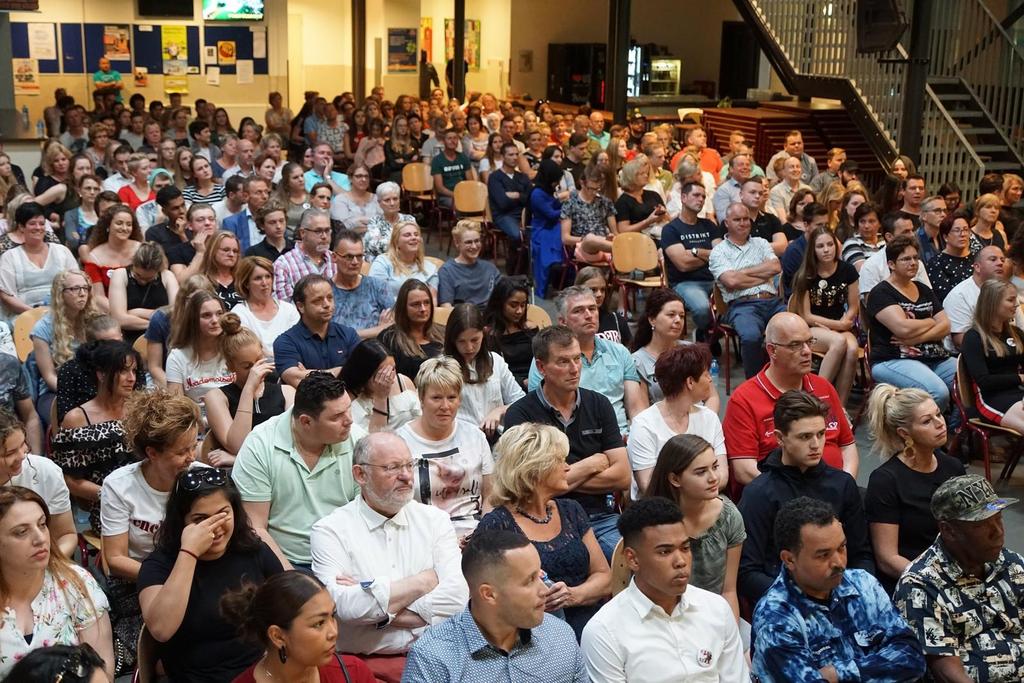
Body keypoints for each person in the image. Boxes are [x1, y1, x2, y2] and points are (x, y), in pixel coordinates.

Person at [309, 431, 469, 682]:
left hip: (439, 657)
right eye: (392, 468)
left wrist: (378, 609)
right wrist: (423, 582)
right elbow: (343, 607)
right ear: (360, 474)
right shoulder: (330, 530)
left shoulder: (435, 521)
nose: (406, 476)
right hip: (363, 666)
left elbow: (458, 598)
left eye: (409, 465)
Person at [751, 496, 925, 683]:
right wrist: (881, 666)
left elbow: (913, 659)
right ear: (789, 559)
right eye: (823, 555)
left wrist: (837, 674)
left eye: (842, 547)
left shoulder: (864, 584)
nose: (839, 562)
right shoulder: (775, 617)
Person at [137, 469, 284, 683]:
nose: (214, 527)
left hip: (260, 673)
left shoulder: (253, 550)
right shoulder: (159, 565)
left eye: (222, 514)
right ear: (182, 522)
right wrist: (188, 553)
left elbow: (289, 604)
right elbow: (161, 630)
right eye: (200, 519)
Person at [581, 496, 748, 681]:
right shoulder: (604, 632)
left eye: (685, 548)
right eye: (665, 552)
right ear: (632, 559)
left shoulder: (717, 609)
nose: (681, 561)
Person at [737, 391, 874, 607]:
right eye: (805, 436)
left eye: (820, 434)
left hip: (841, 598)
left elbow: (862, 556)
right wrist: (803, 599)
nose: (815, 444)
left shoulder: (842, 484)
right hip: (785, 605)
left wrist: (848, 594)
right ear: (780, 438)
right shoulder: (759, 493)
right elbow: (747, 573)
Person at [475, 422, 611, 638]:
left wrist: (573, 595)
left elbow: (604, 576)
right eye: (560, 461)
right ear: (536, 468)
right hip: (531, 636)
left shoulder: (571, 510)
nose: (568, 467)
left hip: (591, 628)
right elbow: (489, 600)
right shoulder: (496, 525)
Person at [99, 387, 200, 675]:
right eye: (182, 451)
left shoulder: (201, 476)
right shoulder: (119, 486)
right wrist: (170, 579)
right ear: (152, 453)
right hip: (136, 579)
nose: (192, 457)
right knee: (157, 649)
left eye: (194, 446)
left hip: (195, 572)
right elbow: (115, 559)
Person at [507, 326, 629, 561]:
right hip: (546, 519)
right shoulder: (520, 414)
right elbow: (528, 486)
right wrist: (593, 464)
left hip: (600, 517)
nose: (574, 369)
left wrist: (553, 479)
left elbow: (622, 476)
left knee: (633, 562)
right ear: (541, 367)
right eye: (563, 362)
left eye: (577, 359)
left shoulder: (599, 405)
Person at [402, 529, 587, 682]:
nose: (544, 590)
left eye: (539, 576)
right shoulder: (433, 658)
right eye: (529, 581)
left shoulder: (561, 637)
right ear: (489, 594)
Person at [894, 474, 1024, 683]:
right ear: (949, 530)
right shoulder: (920, 585)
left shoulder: (1010, 562)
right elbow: (947, 674)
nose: (998, 532)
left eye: (998, 518)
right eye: (981, 525)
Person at [232, 372, 364, 570]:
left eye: (348, 410)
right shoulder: (260, 444)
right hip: (288, 561)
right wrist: (290, 577)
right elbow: (255, 526)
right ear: (306, 422)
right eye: (337, 416)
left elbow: (366, 513)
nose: (349, 421)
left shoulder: (357, 439)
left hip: (348, 557)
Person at [0, 487, 114, 680]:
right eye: (21, 532)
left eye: (42, 524)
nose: (40, 538)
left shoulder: (76, 583)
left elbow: (102, 675)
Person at [863, 384, 964, 592]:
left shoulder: (953, 467)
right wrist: (936, 581)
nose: (940, 424)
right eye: (927, 421)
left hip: (956, 567)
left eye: (939, 414)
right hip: (914, 579)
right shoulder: (886, 481)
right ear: (904, 433)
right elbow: (887, 559)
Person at [644, 434, 743, 621]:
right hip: (663, 614)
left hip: (714, 614)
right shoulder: (652, 523)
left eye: (715, 467)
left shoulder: (729, 515)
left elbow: (729, 591)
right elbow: (649, 593)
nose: (714, 478)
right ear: (675, 479)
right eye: (701, 472)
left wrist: (731, 638)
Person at [528, 286, 646, 438]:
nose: (589, 315)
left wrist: (639, 438)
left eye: (593, 308)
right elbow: (540, 413)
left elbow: (636, 409)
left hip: (621, 438)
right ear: (563, 321)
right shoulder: (549, 358)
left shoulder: (620, 352)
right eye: (578, 311)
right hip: (573, 440)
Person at [395, 356, 492, 535]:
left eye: (452, 397)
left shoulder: (475, 436)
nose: (445, 406)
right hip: (422, 534)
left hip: (475, 533)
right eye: (436, 398)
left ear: (460, 399)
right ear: (421, 398)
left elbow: (491, 497)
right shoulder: (400, 441)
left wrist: (484, 532)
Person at [222, 572, 376, 683]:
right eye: (319, 623)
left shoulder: (353, 672)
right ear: (278, 636)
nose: (333, 632)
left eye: (333, 616)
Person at [865, 233, 956, 411]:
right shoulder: (881, 293)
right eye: (905, 259)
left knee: (972, 379)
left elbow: (946, 325)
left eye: (915, 258)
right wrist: (931, 321)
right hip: (893, 359)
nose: (913, 263)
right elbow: (903, 328)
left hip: (934, 356)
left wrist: (917, 339)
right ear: (891, 264)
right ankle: (919, 434)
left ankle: (954, 431)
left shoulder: (923, 289)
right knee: (938, 392)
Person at [627, 343, 725, 498]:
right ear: (690, 382)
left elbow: (722, 475)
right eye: (706, 374)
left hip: (706, 500)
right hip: (661, 510)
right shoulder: (644, 425)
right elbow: (648, 485)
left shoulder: (709, 418)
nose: (710, 380)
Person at [708, 202, 786, 378]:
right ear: (726, 223)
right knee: (751, 337)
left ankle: (786, 379)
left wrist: (742, 272)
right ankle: (756, 385)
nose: (743, 223)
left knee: (796, 329)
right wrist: (761, 273)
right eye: (737, 219)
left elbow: (775, 267)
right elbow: (731, 281)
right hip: (742, 306)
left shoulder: (761, 243)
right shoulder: (718, 252)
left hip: (773, 302)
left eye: (746, 219)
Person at [205, 314, 293, 462]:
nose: (256, 370)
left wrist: (236, 459)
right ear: (230, 366)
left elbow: (294, 445)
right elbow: (238, 446)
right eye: (247, 366)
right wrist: (249, 389)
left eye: (259, 360)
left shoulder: (287, 391)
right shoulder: (216, 397)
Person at [789, 226, 860, 402]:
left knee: (851, 349)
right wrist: (838, 326)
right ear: (813, 250)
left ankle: (839, 405)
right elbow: (806, 315)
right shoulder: (806, 275)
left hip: (840, 325)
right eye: (820, 246)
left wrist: (847, 319)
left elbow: (853, 305)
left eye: (830, 244)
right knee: (839, 341)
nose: (827, 250)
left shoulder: (848, 270)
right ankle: (817, 398)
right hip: (813, 328)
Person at [0, 410, 76, 558]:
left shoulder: (45, 471)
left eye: (23, 444)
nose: (22, 456)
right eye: (10, 453)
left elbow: (66, 535)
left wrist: (46, 566)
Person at [443, 304, 524, 436]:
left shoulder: (495, 361)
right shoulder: (442, 366)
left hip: (498, 438)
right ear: (452, 340)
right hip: (461, 439)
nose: (469, 348)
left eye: (475, 340)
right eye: (461, 341)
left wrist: (499, 411)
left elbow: (520, 401)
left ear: (484, 333)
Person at [30, 270, 98, 424]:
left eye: (85, 288)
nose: (82, 293)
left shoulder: (94, 321)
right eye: (75, 289)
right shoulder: (42, 328)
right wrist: (77, 394)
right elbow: (49, 377)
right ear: (60, 294)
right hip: (55, 392)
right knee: (74, 418)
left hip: (94, 388)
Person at [960, 278, 1024, 433]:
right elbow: (984, 381)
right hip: (991, 399)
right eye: (1010, 300)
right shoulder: (973, 337)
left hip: (1018, 392)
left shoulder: (1016, 333)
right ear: (993, 303)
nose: (1016, 304)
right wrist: (1020, 378)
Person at [660, 181, 722, 340]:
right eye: (696, 195)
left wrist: (695, 252)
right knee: (702, 309)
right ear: (683, 197)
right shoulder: (671, 229)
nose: (701, 199)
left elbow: (722, 255)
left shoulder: (709, 225)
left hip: (716, 279)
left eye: (703, 196)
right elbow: (682, 264)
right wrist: (710, 256)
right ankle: (705, 333)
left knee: (738, 302)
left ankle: (711, 334)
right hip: (685, 282)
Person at [273, 274, 360, 386]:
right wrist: (343, 370)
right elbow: (296, 380)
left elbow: (362, 373)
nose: (327, 304)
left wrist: (309, 375)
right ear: (301, 306)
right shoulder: (285, 342)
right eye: (318, 300)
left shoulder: (349, 334)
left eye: (330, 298)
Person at [0, 203, 78, 320]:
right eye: (32, 224)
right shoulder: (9, 257)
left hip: (62, 313)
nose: (38, 227)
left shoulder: (62, 251)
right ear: (21, 227)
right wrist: (37, 313)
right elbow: (6, 296)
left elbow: (76, 283)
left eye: (42, 224)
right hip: (24, 316)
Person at [166, 290, 234, 402]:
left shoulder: (234, 348)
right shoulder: (177, 357)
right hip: (197, 417)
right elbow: (175, 408)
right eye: (206, 315)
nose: (215, 320)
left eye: (219, 314)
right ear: (193, 320)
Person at [340, 340, 420, 434]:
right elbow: (374, 438)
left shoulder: (403, 381)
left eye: (393, 369)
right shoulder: (349, 399)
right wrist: (381, 398)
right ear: (365, 374)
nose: (390, 376)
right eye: (383, 373)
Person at [230, 255, 299, 362]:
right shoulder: (239, 314)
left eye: (268, 276)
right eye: (258, 278)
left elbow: (299, 344)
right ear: (246, 283)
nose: (265, 283)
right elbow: (250, 352)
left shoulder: (289, 310)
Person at [945, 245, 1014, 351]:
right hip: (972, 358)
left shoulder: (1008, 290)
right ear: (977, 267)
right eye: (993, 259)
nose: (1000, 263)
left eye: (1002, 260)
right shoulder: (959, 295)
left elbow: (1020, 328)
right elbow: (961, 341)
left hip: (1009, 352)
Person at [107, 242, 176, 343]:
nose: (143, 281)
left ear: (158, 271)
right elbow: (119, 319)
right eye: (138, 275)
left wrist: (138, 312)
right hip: (130, 338)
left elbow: (176, 313)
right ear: (133, 264)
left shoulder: (167, 276)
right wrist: (158, 323)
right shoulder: (120, 275)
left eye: (149, 278)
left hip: (163, 338)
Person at [378, 279, 444, 380]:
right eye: (416, 304)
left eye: (427, 303)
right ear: (403, 307)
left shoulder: (444, 332)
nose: (423, 309)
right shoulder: (388, 339)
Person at [483, 277, 537, 390]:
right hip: (505, 386)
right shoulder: (488, 334)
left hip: (535, 381)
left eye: (523, 305)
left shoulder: (531, 328)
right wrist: (522, 382)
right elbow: (492, 371)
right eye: (513, 305)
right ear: (500, 304)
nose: (519, 311)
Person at [273, 208, 337, 301]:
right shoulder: (283, 265)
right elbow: (285, 308)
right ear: (303, 233)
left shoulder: (337, 260)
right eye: (318, 231)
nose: (324, 236)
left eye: (327, 231)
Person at [561, 165, 617, 265]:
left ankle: (621, 249)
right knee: (590, 238)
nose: (594, 192)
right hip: (583, 247)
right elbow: (565, 238)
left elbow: (615, 233)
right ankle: (624, 249)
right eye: (591, 188)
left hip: (606, 247)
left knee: (618, 239)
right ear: (582, 183)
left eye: (598, 189)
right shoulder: (570, 203)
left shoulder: (605, 202)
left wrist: (611, 237)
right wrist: (585, 239)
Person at [437, 221, 500, 307]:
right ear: (457, 243)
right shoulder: (447, 271)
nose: (474, 246)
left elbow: (505, 295)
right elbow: (446, 306)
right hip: (464, 317)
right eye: (468, 242)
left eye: (477, 241)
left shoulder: (490, 268)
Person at [368, 221, 438, 298]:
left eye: (416, 234)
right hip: (390, 309)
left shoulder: (430, 268)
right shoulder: (382, 263)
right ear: (396, 242)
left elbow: (432, 301)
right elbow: (376, 296)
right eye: (407, 235)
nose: (414, 237)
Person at [529, 159, 566, 298]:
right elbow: (551, 214)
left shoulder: (548, 190)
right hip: (542, 228)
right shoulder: (537, 194)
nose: (557, 183)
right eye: (556, 180)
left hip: (553, 225)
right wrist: (566, 208)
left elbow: (556, 206)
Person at [486, 142, 531, 255]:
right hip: (504, 216)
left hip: (524, 214)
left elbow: (530, 198)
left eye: (516, 154)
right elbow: (503, 203)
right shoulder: (495, 178)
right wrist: (522, 197)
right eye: (510, 155)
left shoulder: (522, 177)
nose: (515, 157)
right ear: (502, 157)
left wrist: (516, 195)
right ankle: (514, 264)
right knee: (517, 235)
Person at [926, 212, 977, 303]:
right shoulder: (936, 263)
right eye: (957, 230)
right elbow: (944, 296)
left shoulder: (978, 259)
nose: (963, 234)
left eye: (966, 230)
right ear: (945, 237)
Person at [574, 267, 632, 347]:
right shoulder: (572, 322)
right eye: (593, 290)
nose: (599, 294)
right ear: (578, 291)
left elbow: (630, 349)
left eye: (603, 290)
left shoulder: (616, 319)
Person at [363, 182, 415, 263]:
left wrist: (386, 241)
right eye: (387, 200)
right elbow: (375, 246)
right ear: (379, 203)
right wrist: (404, 243)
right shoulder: (374, 221)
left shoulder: (409, 220)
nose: (392, 203)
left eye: (395, 199)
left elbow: (415, 244)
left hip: (406, 262)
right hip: (379, 264)